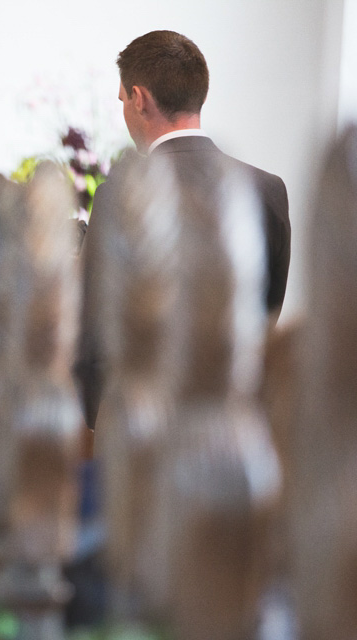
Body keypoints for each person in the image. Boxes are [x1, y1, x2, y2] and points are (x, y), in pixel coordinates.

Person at [74, 29, 292, 430]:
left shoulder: (119, 198)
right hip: (230, 427)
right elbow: (267, 315)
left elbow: (91, 328)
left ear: (139, 99)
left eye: (123, 101)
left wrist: (97, 421)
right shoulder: (267, 190)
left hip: (139, 430)